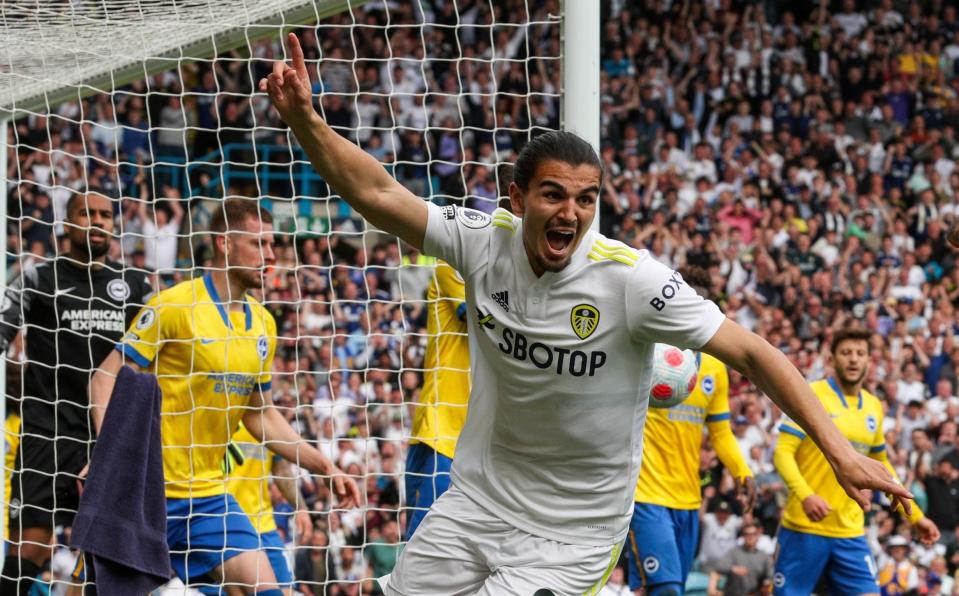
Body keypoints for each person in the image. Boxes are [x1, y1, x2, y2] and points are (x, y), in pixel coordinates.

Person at [262, 34, 913, 593]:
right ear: (515, 198)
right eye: (553, 195)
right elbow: (378, 191)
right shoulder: (479, 242)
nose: (571, 213)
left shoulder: (630, 281)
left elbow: (752, 352)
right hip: (477, 505)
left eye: (586, 198)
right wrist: (305, 122)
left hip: (573, 532)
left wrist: (840, 453)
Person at [88, 198, 360, 594]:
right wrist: (109, 460)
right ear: (224, 243)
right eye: (258, 244)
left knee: (269, 591)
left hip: (210, 496)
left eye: (272, 245)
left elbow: (260, 414)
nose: (270, 255)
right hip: (150, 494)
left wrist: (325, 467)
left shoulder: (263, 325)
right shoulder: (175, 306)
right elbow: (103, 378)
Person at [0, 191, 152, 595]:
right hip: (45, 432)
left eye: (105, 215)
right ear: (68, 224)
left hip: (109, 438)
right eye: (87, 213)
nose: (98, 221)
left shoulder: (137, 284)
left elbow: (168, 351)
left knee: (107, 553)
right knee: (31, 544)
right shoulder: (38, 277)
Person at [773, 327, 939, 596]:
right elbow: (782, 453)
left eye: (860, 353)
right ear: (832, 358)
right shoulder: (809, 394)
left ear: (869, 361)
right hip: (804, 527)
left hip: (850, 531)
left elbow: (881, 467)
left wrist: (915, 518)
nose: (853, 359)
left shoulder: (874, 405)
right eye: (846, 352)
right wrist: (806, 496)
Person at [626, 265, 756, 596]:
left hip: (688, 499)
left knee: (671, 590)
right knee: (666, 589)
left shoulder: (714, 368)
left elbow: (721, 433)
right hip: (644, 494)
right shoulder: (645, 350)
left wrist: (741, 470)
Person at [196, 422, 313, 596]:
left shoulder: (268, 423)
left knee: (285, 591)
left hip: (263, 525)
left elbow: (281, 469)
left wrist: (301, 508)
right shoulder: (221, 416)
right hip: (224, 527)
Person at [405, 258, 469, 539]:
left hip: (482, 441)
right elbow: (483, 318)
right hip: (442, 431)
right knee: (425, 540)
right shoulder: (453, 267)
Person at [706, 522, 774, 596]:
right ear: (743, 536)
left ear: (758, 536)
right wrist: (732, 569)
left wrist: (765, 588)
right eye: (747, 534)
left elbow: (770, 578)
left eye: (753, 534)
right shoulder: (734, 552)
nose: (750, 537)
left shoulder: (764, 557)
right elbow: (717, 569)